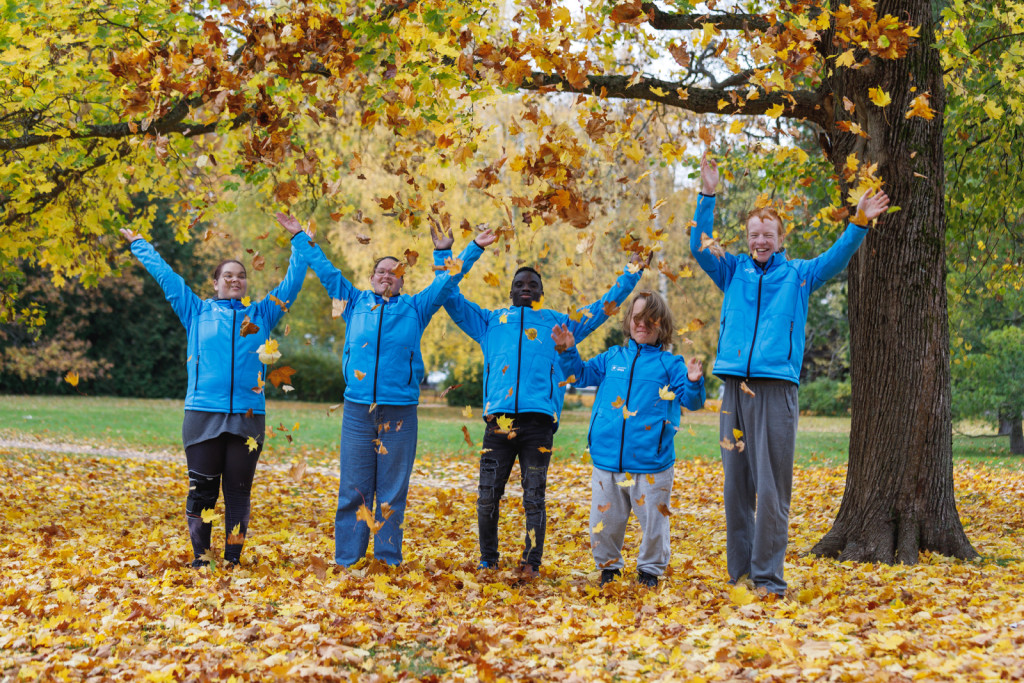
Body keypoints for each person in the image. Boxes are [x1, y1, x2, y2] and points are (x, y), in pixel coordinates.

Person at [690, 154, 890, 596]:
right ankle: (740, 573)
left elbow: (836, 259)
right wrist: (707, 194)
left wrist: (858, 222)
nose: (760, 240)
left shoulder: (798, 275)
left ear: (781, 239)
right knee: (736, 486)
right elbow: (698, 246)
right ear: (748, 239)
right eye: (753, 235)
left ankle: (768, 577)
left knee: (772, 487)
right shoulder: (733, 271)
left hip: (775, 390)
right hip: (732, 390)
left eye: (767, 235)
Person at [277, 215, 496, 567]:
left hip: (400, 412)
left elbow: (447, 281)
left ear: (401, 279)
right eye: (381, 271)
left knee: (392, 492)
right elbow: (325, 269)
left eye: (394, 272)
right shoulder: (353, 301)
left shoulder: (415, 308)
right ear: (371, 278)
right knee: (354, 488)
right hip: (358, 410)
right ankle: (348, 559)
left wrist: (458, 251)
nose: (386, 275)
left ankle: (387, 561)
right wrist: (300, 238)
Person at [441, 254, 645, 577]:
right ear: (510, 292)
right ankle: (487, 559)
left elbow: (604, 307)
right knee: (487, 496)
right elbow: (449, 296)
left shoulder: (558, 322)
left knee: (534, 496)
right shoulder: (491, 321)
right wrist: (444, 257)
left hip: (538, 424)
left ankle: (531, 563)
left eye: (533, 285)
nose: (526, 288)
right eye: (519, 284)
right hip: (498, 423)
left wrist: (630, 274)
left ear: (541, 293)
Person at [121, 217, 308, 568]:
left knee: (238, 494)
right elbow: (167, 278)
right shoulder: (197, 311)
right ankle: (201, 559)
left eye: (240, 276)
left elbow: (292, 283)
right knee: (203, 491)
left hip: (248, 416)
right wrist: (140, 244)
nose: (235, 280)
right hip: (202, 413)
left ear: (245, 283)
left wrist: (299, 240)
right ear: (216, 283)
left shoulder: (263, 313)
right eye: (228, 276)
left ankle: (233, 559)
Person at [552, 291, 705, 588]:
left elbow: (692, 401)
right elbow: (579, 376)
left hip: (651, 463)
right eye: (637, 318)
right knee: (603, 524)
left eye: (650, 319)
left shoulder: (670, 365)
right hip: (607, 460)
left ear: (661, 326)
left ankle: (649, 572)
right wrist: (568, 351)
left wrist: (695, 381)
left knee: (654, 525)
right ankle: (609, 569)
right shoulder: (612, 357)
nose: (642, 324)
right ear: (628, 321)